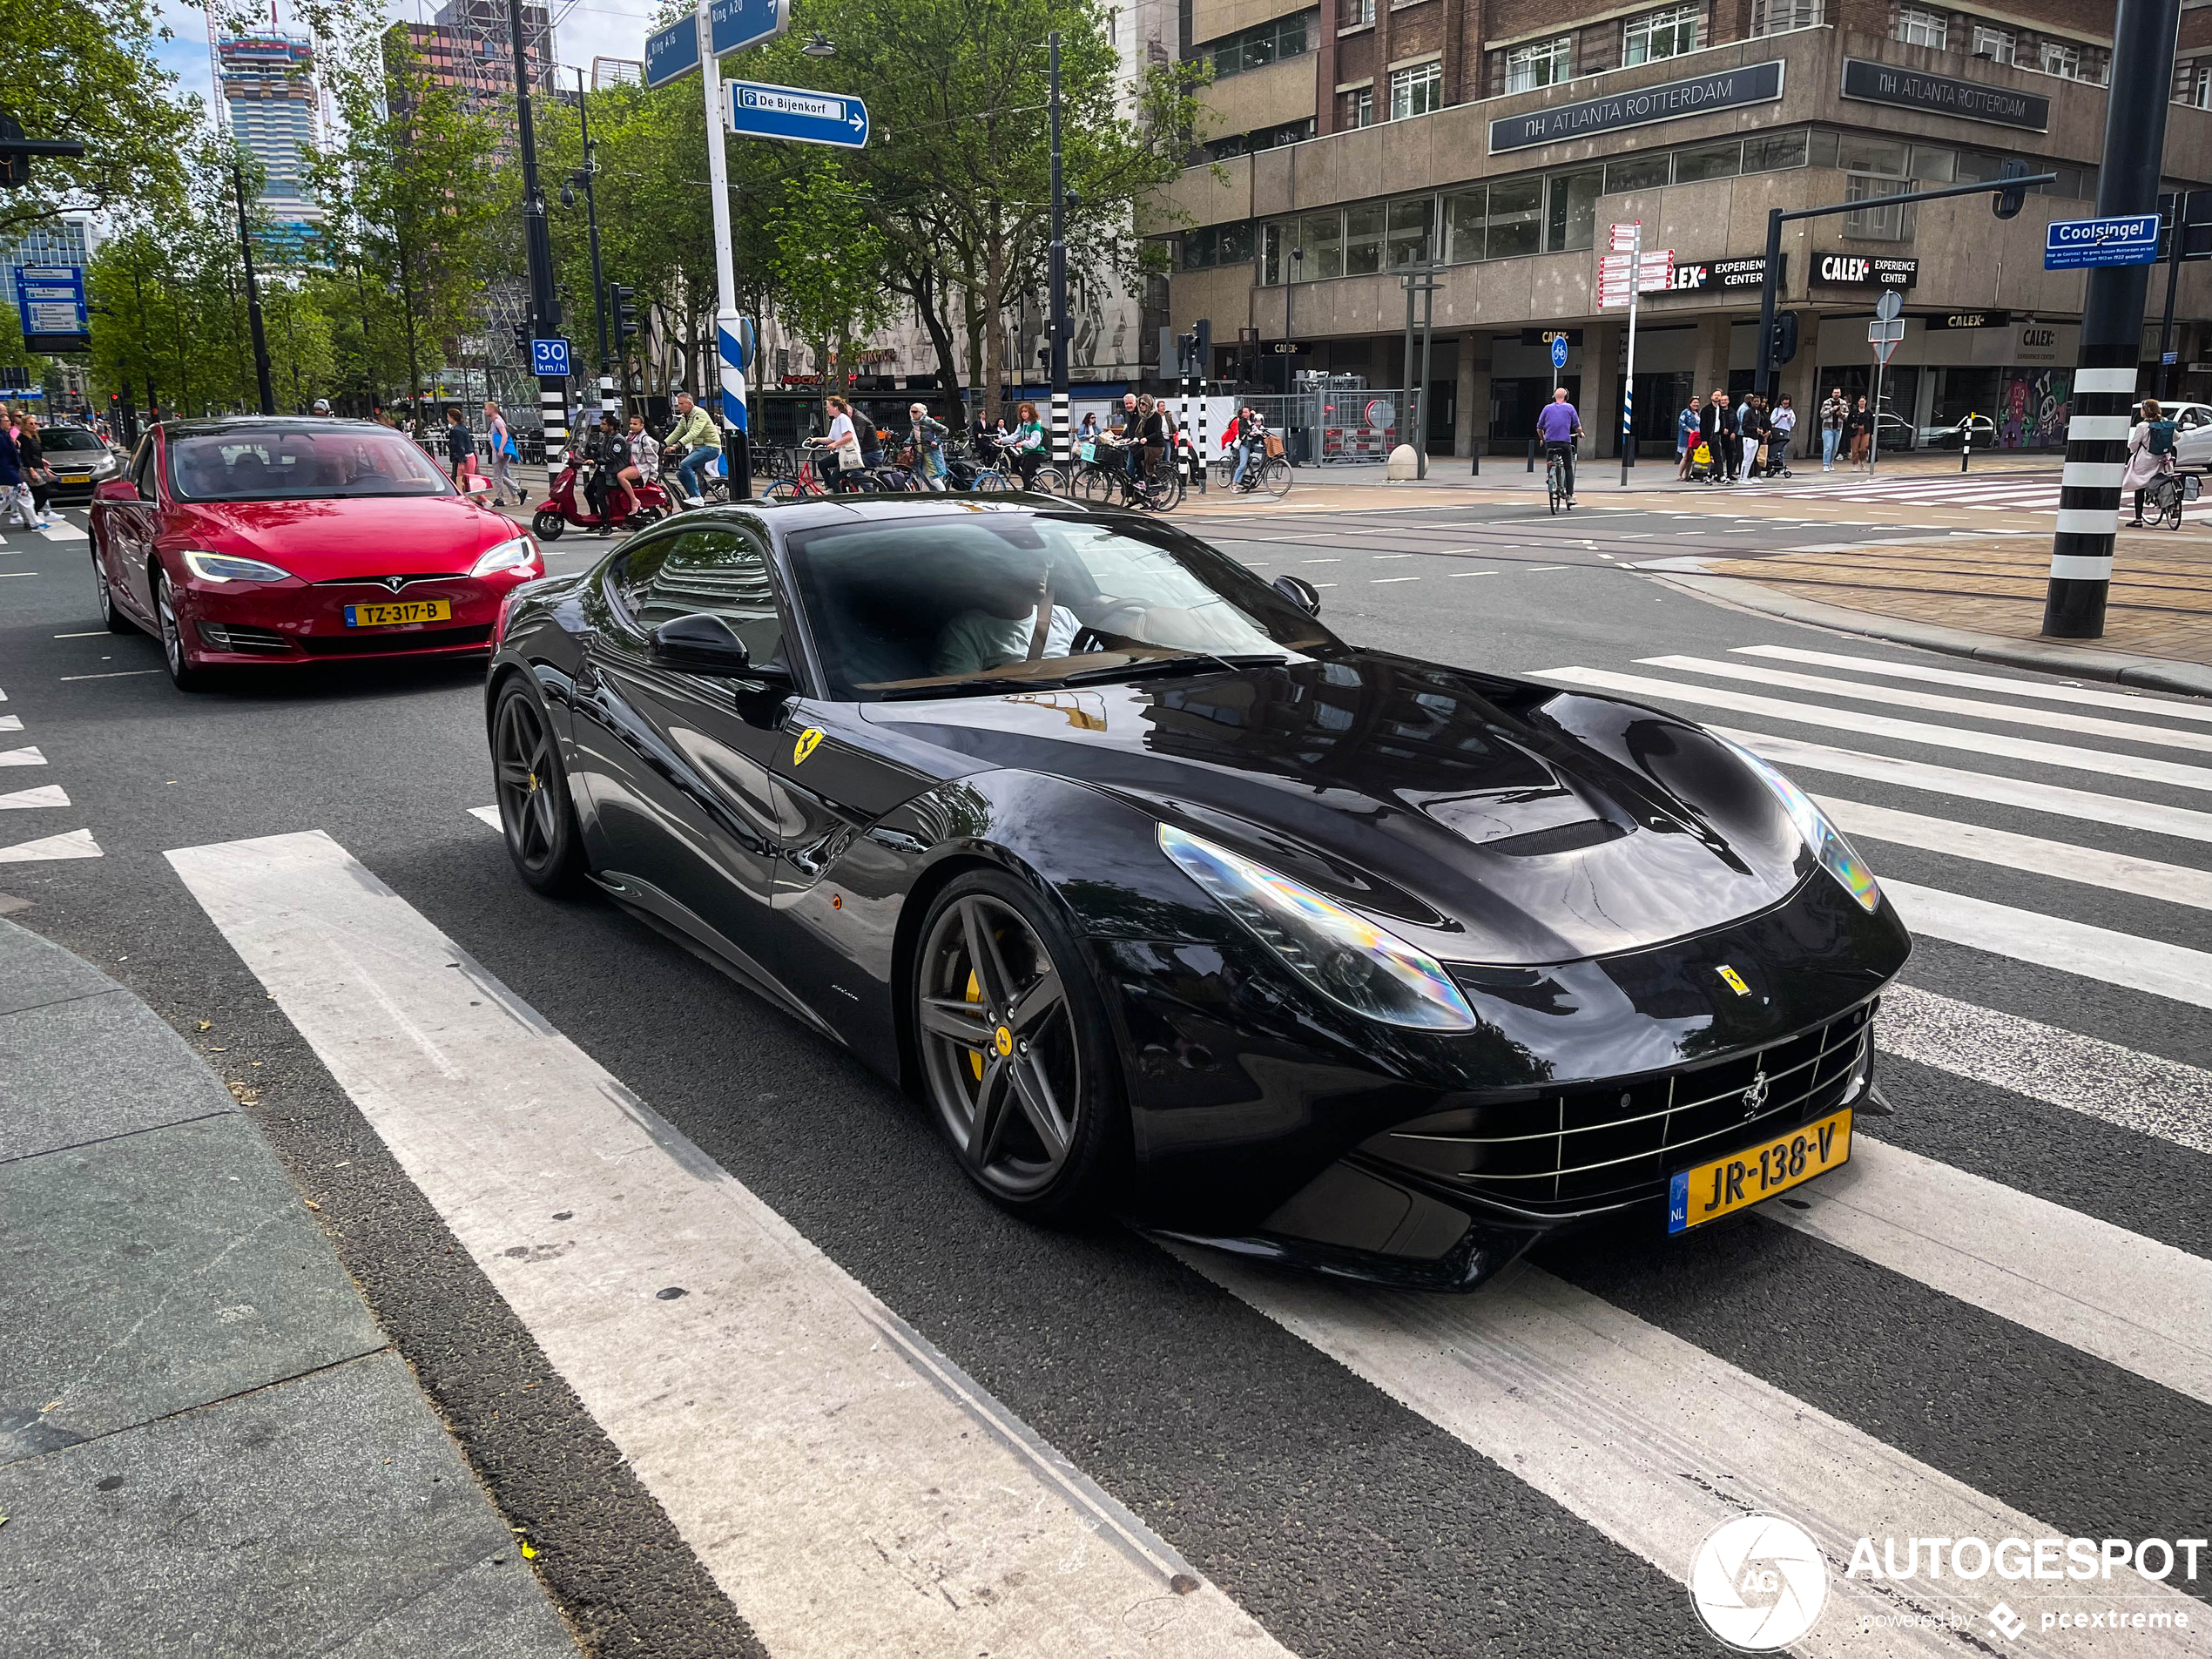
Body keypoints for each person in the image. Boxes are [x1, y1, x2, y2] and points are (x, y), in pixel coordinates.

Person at [930, 553, 1082, 676]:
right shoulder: (966, 631)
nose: (1042, 567)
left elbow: (1092, 660)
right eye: (1029, 560)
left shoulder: (1063, 616)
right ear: (1000, 572)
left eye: (1045, 559)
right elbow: (960, 700)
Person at [2124, 397, 2178, 526]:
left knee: (2139, 486)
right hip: (2163, 459)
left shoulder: (2142, 426)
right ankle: (2173, 505)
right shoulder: (2165, 423)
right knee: (2165, 481)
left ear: (2145, 411)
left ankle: (2138, 520)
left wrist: (2132, 450)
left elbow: (2134, 444)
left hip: (2146, 460)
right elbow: (2177, 437)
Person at [666, 391, 720, 506]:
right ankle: (697, 496)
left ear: (690, 403)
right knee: (680, 473)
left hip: (710, 447)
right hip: (699, 448)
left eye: (681, 404)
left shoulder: (698, 414)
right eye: (678, 404)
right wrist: (662, 444)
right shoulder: (685, 417)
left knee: (685, 465)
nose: (678, 406)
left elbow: (693, 433)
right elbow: (677, 433)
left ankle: (696, 497)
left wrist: (677, 445)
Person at [584, 412, 632, 533]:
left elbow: (612, 457)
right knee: (588, 492)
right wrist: (590, 452)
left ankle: (607, 524)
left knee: (599, 495)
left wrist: (595, 460)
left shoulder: (618, 440)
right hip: (603, 470)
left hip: (613, 472)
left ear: (611, 426)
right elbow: (602, 453)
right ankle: (595, 518)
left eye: (603, 424)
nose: (601, 426)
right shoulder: (607, 437)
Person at [806, 395, 863, 491]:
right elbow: (830, 439)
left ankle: (840, 499)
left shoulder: (843, 418)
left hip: (848, 455)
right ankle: (832, 489)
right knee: (822, 464)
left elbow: (849, 436)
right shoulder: (835, 421)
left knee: (834, 480)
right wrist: (816, 439)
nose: (827, 409)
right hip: (840, 454)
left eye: (828, 407)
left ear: (836, 408)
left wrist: (835, 445)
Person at [1535, 386, 1581, 502]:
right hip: (1564, 442)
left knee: (1550, 459)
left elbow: (1539, 428)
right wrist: (1580, 434)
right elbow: (1577, 426)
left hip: (1550, 442)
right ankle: (1570, 495)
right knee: (1568, 467)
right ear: (1566, 397)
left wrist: (1543, 438)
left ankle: (1549, 475)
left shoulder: (1547, 408)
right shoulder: (1570, 408)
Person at [17, 412, 52, 529]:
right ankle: (32, 517)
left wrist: (43, 462)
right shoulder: (23, 438)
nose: (34, 425)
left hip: (35, 466)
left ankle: (32, 518)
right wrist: (31, 470)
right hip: (27, 468)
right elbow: (25, 455)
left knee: (36, 493)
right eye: (31, 423)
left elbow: (36, 453)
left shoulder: (34, 436)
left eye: (35, 423)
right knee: (43, 491)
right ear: (25, 425)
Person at [482, 400, 520, 507]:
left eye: (486, 409)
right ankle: (515, 493)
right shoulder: (495, 422)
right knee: (500, 475)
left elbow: (505, 435)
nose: (485, 411)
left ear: (491, 410)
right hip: (498, 451)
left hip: (500, 452)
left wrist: (500, 449)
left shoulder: (498, 422)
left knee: (498, 476)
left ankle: (505, 497)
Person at [907, 401, 949, 490]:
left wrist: (936, 441)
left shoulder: (928, 421)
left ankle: (944, 496)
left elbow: (945, 430)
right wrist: (908, 441)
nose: (912, 414)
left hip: (931, 452)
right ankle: (922, 495)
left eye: (915, 412)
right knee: (920, 475)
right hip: (920, 451)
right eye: (911, 411)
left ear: (921, 412)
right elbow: (914, 432)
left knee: (933, 477)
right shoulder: (914, 422)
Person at [1008, 400, 1047, 487]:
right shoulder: (1022, 425)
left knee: (1025, 474)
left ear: (1031, 413)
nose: (1023, 414)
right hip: (1027, 452)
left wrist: (1023, 443)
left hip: (1036, 453)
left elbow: (1034, 443)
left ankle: (1028, 493)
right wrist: (1001, 440)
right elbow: (1014, 437)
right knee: (1015, 465)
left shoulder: (1035, 425)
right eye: (1022, 412)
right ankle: (1030, 484)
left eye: (1025, 411)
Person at [1700, 390, 1735, 485]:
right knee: (1707, 457)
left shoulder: (1721, 409)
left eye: (1718, 395)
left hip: (1717, 436)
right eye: (1715, 395)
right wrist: (1703, 439)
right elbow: (1703, 425)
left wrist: (1722, 429)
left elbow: (1720, 421)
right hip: (1708, 436)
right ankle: (1705, 476)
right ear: (1711, 397)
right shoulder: (1706, 410)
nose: (1716, 397)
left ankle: (1721, 476)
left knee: (1718, 457)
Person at [1233, 405, 1270, 490]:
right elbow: (1242, 430)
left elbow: (1257, 426)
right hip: (1245, 445)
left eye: (1246, 412)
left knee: (1265, 451)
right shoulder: (1241, 422)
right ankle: (1234, 482)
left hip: (1252, 445)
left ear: (1250, 413)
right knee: (1243, 465)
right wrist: (1249, 433)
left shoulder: (1252, 420)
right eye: (1243, 412)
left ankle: (1261, 468)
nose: (1244, 414)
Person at [442, 405, 477, 489]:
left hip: (461, 458)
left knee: (459, 479)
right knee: (467, 479)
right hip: (468, 456)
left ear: (452, 417)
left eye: (448, 417)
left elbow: (459, 446)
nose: (447, 419)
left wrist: (461, 461)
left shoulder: (456, 431)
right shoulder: (463, 428)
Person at [1820, 387, 1848, 470]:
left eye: (1838, 392)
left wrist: (1841, 414)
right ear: (1832, 393)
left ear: (1840, 394)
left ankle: (1831, 462)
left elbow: (1847, 416)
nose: (1836, 394)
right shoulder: (1826, 402)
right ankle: (1825, 464)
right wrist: (1832, 410)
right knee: (1828, 446)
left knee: (1835, 448)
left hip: (1838, 428)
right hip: (1828, 428)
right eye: (1835, 392)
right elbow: (1822, 414)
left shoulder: (1843, 403)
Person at [1676, 395, 1703, 481]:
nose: (1696, 404)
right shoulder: (1685, 412)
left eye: (1697, 403)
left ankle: (1687, 475)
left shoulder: (1698, 414)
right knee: (1686, 457)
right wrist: (1689, 430)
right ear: (1690, 404)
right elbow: (1681, 423)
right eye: (1694, 402)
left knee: (1691, 458)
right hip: (1687, 438)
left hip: (1696, 439)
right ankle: (1680, 475)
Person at [1770, 395, 1797, 478]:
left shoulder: (1791, 411)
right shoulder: (1777, 410)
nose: (1785, 405)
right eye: (1784, 403)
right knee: (1775, 449)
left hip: (1786, 430)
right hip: (1777, 430)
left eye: (1787, 404)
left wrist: (1789, 418)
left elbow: (1792, 424)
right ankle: (1772, 465)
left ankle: (1780, 466)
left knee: (1782, 449)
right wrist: (1780, 416)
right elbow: (1772, 420)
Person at [1847, 396, 1873, 469]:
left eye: (1863, 401)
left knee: (1863, 448)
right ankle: (1855, 464)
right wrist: (1851, 425)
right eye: (1861, 401)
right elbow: (1848, 421)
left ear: (1865, 402)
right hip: (1856, 430)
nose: (1862, 403)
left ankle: (1861, 460)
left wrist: (1872, 433)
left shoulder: (1869, 412)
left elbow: (1872, 423)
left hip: (1866, 430)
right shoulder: (1853, 411)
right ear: (1858, 402)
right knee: (1855, 449)